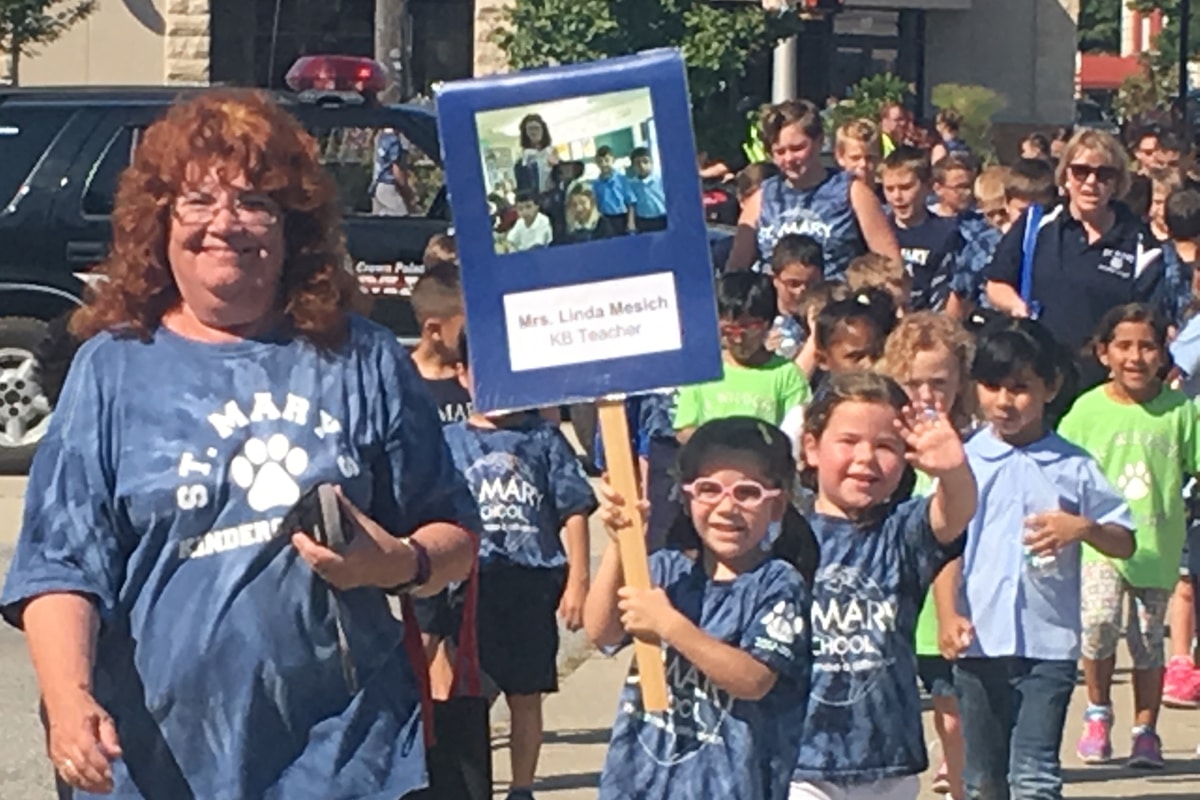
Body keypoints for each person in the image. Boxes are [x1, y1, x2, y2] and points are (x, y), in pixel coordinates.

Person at [0, 89, 479, 800]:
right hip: (154, 760)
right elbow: (58, 568)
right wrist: (70, 703)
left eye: (255, 203)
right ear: (159, 225)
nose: (225, 223)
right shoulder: (112, 368)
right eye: (196, 202)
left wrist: (392, 562)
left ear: (293, 230)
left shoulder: (364, 359)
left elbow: (457, 537)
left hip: (344, 757)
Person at [945, 318, 1135, 800]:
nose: (1004, 402)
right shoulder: (962, 461)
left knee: (1035, 775)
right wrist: (949, 613)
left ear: (1050, 388)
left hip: (1048, 644)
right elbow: (942, 544)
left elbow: (1124, 539)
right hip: (978, 641)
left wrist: (1085, 528)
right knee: (984, 778)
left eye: (1020, 388)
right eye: (991, 387)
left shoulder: (1074, 465)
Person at [586, 417, 814, 800]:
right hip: (639, 782)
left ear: (777, 506)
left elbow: (754, 679)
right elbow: (602, 631)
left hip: (731, 785)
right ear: (686, 497)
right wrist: (621, 544)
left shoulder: (778, 583)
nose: (727, 507)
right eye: (709, 490)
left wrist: (670, 625)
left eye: (747, 492)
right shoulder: (666, 569)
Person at [789, 371, 976, 800]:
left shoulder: (903, 531)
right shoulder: (782, 534)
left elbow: (956, 513)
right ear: (812, 448)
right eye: (849, 441)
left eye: (886, 446)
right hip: (799, 756)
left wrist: (954, 471)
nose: (866, 458)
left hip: (889, 756)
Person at [444, 331, 598, 800]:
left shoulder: (543, 438)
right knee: (471, 693)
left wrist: (578, 579)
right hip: (472, 581)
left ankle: (523, 787)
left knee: (526, 693)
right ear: (462, 375)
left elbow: (573, 506)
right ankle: (470, 783)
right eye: (484, 376)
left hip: (531, 579)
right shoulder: (447, 441)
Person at [1058, 305, 1200, 768]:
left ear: (1163, 353)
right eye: (1123, 346)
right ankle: (1098, 712)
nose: (1135, 357)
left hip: (1155, 549)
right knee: (1098, 626)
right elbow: (1060, 469)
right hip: (1099, 543)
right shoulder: (1087, 409)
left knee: (1146, 641)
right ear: (1104, 353)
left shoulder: (1180, 411)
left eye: (1147, 346)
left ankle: (1146, 730)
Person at [983, 129, 1163, 413]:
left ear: (1117, 182)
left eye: (1104, 174)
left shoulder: (1141, 243)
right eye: (1081, 171)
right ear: (1065, 176)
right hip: (1040, 376)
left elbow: (1149, 317)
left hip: (1106, 386)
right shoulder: (1036, 225)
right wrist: (1020, 309)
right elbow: (996, 283)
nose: (1092, 182)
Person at [880, 312, 977, 800]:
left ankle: (961, 784)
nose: (926, 396)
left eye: (939, 382)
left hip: (963, 602)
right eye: (913, 383)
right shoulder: (887, 448)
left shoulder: (976, 445)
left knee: (957, 714)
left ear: (961, 380)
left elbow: (953, 536)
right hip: (901, 602)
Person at [726, 100, 900, 279]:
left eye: (797, 148)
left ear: (819, 141)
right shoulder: (762, 198)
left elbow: (890, 266)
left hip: (835, 300)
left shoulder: (853, 192)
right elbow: (736, 271)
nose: (789, 159)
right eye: (780, 152)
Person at [673, 272, 812, 443]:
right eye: (728, 331)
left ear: (767, 323)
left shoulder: (786, 374)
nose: (738, 339)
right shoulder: (704, 370)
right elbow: (685, 428)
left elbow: (797, 432)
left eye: (748, 329)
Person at [880, 147, 964, 315]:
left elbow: (948, 295)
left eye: (906, 187)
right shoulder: (879, 230)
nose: (897, 197)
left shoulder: (946, 234)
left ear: (927, 186)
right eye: (889, 189)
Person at [766, 234, 826, 361]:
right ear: (775, 280)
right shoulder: (759, 314)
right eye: (793, 284)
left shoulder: (830, 315)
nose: (801, 291)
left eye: (812, 284)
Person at [373, 127, 417, 216]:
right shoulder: (393, 141)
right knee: (402, 215)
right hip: (389, 186)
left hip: (378, 185)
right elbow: (396, 169)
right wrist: (405, 189)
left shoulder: (382, 138)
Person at [592, 146, 635, 234]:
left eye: (607, 160)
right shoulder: (596, 184)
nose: (604, 164)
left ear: (613, 160)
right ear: (596, 163)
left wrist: (631, 221)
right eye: (600, 161)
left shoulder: (622, 179)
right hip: (605, 219)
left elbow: (631, 202)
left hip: (622, 217)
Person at [514, 114, 559, 197]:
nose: (534, 132)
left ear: (543, 130)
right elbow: (522, 189)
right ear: (525, 132)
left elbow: (562, 182)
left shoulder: (552, 153)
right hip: (533, 203)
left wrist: (556, 167)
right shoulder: (521, 162)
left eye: (536, 128)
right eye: (530, 129)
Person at [629, 146, 668, 233]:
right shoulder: (632, 185)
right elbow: (632, 205)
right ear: (633, 166)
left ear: (652, 163)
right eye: (637, 163)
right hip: (643, 221)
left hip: (663, 218)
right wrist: (631, 223)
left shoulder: (661, 180)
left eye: (645, 162)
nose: (642, 166)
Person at [835, 118, 881, 183]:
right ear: (840, 157)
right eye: (855, 158)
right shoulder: (828, 192)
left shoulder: (891, 190)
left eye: (869, 158)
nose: (863, 164)